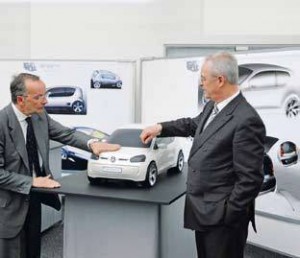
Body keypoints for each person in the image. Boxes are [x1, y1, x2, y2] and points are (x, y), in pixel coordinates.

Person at [140, 52, 266, 258]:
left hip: (222, 221)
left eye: (203, 79)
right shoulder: (214, 107)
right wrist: (160, 128)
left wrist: (228, 215)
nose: (201, 84)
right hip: (206, 212)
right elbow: (193, 124)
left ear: (220, 80)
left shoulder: (246, 119)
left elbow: (251, 180)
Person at [0, 73, 120, 258]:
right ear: (21, 100)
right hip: (8, 207)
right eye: (39, 97)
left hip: (34, 199)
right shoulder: (1, 123)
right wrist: (32, 182)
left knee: (33, 251)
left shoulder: (40, 117)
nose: (45, 101)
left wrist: (92, 144)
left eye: (45, 95)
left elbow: (68, 134)